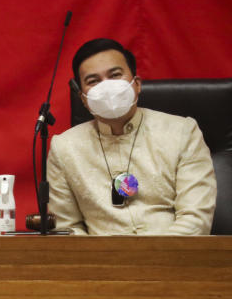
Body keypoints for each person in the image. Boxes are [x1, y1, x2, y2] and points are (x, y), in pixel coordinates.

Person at [47, 38, 216, 235]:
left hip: (175, 259)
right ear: (83, 99)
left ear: (136, 84)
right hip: (103, 262)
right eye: (93, 81)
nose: (107, 87)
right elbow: (67, 228)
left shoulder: (182, 132)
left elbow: (195, 219)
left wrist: (156, 260)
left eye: (115, 75)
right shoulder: (64, 147)